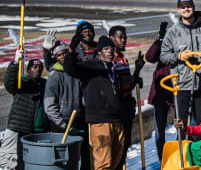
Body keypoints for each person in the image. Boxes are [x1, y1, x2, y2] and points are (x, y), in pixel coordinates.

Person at [161, 0, 201, 133]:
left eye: (188, 6)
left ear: (193, 7)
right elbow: (164, 56)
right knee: (183, 124)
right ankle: (185, 149)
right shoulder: (173, 32)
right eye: (183, 7)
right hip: (183, 85)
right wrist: (178, 56)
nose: (186, 9)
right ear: (179, 10)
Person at [64, 36, 126, 170]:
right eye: (106, 49)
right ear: (99, 51)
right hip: (100, 120)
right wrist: (71, 49)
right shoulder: (90, 67)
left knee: (117, 159)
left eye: (111, 48)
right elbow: (70, 68)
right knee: (103, 163)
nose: (109, 51)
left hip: (116, 119)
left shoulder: (113, 69)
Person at [43, 42, 89, 170]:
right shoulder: (55, 75)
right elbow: (49, 107)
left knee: (86, 156)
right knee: (66, 159)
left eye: (64, 53)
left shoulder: (77, 71)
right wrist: (63, 125)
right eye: (59, 55)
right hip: (62, 124)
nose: (63, 56)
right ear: (55, 57)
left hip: (80, 120)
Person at [0, 51, 48, 169]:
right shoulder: (22, 82)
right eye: (34, 67)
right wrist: (15, 63)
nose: (37, 70)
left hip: (37, 131)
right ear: (28, 70)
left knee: (33, 160)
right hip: (18, 128)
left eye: (40, 68)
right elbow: (8, 82)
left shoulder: (44, 84)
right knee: (6, 158)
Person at [108, 25, 145, 167]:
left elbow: (127, 82)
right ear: (112, 38)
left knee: (125, 144)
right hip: (116, 109)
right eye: (120, 38)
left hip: (126, 107)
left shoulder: (122, 58)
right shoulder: (110, 58)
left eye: (125, 38)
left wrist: (137, 71)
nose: (123, 40)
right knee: (116, 146)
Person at [145, 21, 173, 160]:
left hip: (179, 91)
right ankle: (162, 158)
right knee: (159, 130)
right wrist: (159, 39)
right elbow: (149, 57)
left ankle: (184, 153)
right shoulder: (164, 44)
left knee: (184, 125)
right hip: (161, 92)